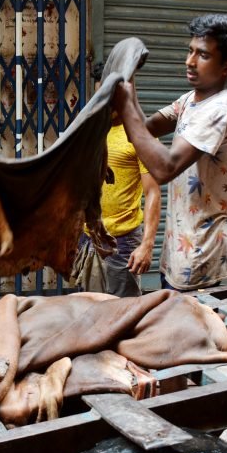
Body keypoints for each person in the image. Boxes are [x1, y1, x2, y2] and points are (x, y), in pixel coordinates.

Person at [112, 14, 227, 291]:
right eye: (190, 51)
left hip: (201, 252)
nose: (189, 61)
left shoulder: (219, 111)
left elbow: (165, 168)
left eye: (203, 55)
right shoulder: (191, 100)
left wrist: (125, 102)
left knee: (190, 332)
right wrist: (130, 80)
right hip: (179, 246)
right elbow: (144, 129)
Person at [88, 62, 161, 297]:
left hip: (123, 241)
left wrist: (147, 245)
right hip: (88, 239)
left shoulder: (140, 135)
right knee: (89, 311)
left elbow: (153, 192)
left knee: (124, 313)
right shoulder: (90, 128)